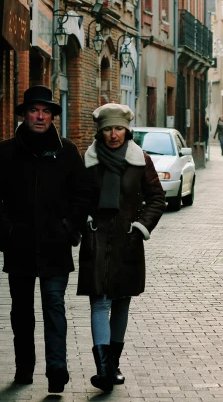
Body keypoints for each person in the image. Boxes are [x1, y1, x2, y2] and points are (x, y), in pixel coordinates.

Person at [0, 85, 88, 394]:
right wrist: (7, 234)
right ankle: (24, 367)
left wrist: (70, 228)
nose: (40, 116)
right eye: (34, 110)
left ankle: (57, 368)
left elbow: (82, 196)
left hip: (56, 245)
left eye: (45, 111)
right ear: (25, 115)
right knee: (22, 311)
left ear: (53, 116)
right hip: (20, 246)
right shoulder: (5, 152)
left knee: (54, 305)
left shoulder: (68, 152)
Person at [79, 103, 166, 392]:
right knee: (99, 301)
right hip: (97, 238)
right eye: (107, 129)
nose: (113, 134)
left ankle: (113, 364)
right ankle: (103, 369)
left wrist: (140, 227)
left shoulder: (140, 160)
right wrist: (86, 220)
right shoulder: (88, 161)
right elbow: (75, 198)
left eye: (118, 128)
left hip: (127, 240)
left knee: (121, 300)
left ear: (127, 130)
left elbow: (156, 197)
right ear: (100, 132)